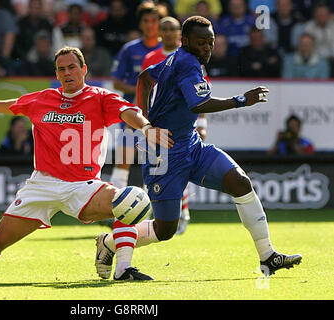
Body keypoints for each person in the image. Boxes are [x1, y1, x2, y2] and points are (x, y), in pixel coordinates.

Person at [0, 46, 173, 283]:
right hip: (42, 185)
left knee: (130, 201)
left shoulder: (100, 97)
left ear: (84, 70)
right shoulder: (43, 98)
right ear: (57, 74)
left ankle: (122, 267)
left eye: (72, 67)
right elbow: (14, 104)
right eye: (61, 69)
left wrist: (146, 128)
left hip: (83, 186)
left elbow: (128, 112)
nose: (67, 73)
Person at [95, 16, 302, 281]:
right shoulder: (187, 63)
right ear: (186, 42)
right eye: (201, 43)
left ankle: (268, 255)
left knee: (240, 182)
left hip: (191, 146)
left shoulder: (177, 59)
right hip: (164, 155)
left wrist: (146, 118)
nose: (207, 48)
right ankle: (110, 243)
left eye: (210, 42)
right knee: (165, 229)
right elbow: (198, 104)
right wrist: (241, 100)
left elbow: (145, 78)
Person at [142, 16, 208, 235]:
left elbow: (202, 93)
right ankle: (154, 214)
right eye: (165, 29)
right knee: (157, 171)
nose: (169, 33)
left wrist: (203, 123)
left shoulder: (194, 58)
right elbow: (144, 82)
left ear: (181, 34)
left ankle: (182, 211)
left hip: (181, 128)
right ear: (159, 33)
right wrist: (145, 123)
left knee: (180, 168)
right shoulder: (153, 57)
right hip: (157, 127)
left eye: (173, 29)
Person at [109, 0, 162, 190]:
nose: (150, 25)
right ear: (141, 24)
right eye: (146, 21)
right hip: (133, 112)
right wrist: (141, 90)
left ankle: (156, 210)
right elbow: (116, 81)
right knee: (124, 158)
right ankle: (115, 207)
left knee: (156, 162)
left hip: (158, 114)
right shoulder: (130, 49)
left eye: (154, 21)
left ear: (160, 23)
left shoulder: (167, 50)